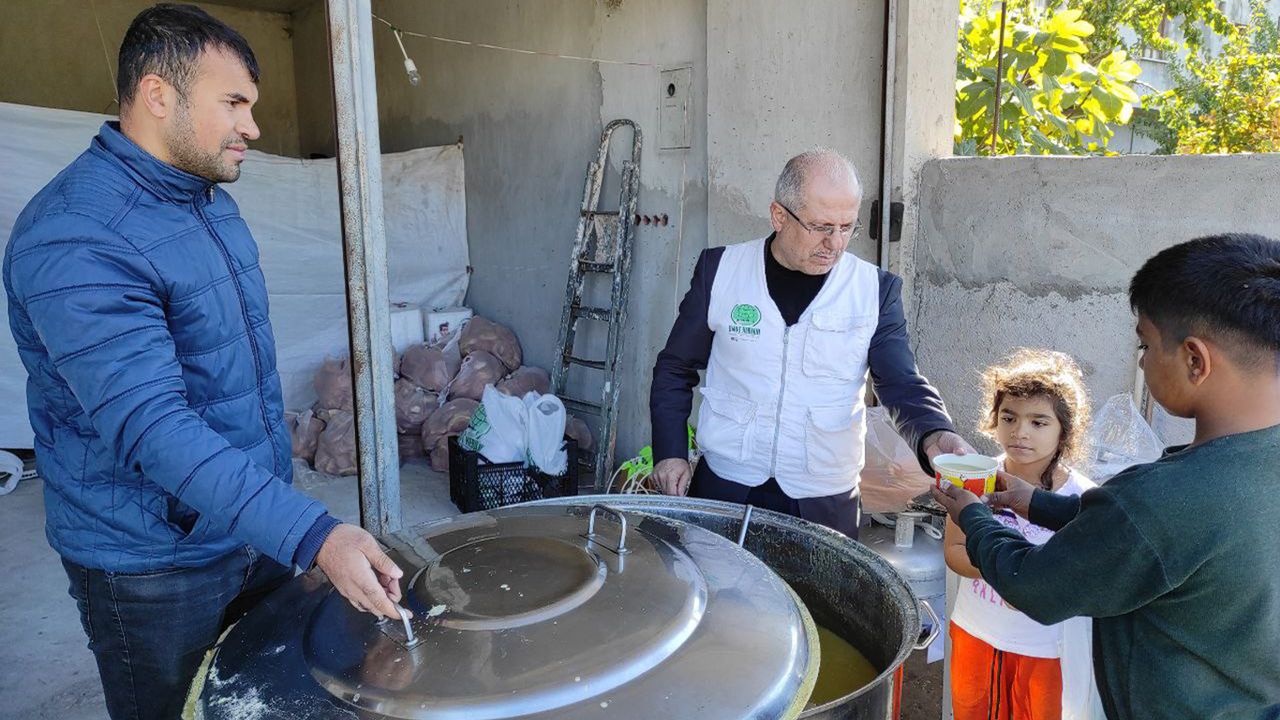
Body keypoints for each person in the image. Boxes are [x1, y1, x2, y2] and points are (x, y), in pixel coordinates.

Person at [4, 6, 404, 719]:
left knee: (269, 698)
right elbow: (151, 426)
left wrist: (278, 522)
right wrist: (313, 533)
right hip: (153, 567)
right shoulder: (77, 236)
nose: (253, 126)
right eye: (235, 103)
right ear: (159, 95)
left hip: (247, 527)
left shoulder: (204, 201)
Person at [932, 234, 1280, 720]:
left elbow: (1034, 584)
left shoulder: (1162, 498)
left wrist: (973, 515)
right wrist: (1037, 503)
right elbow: (1135, 533)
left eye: (1146, 343)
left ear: (1194, 360)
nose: (1142, 360)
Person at [649, 148, 970, 538]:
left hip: (824, 499)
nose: (835, 243)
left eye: (847, 227)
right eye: (821, 227)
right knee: (714, 577)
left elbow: (900, 381)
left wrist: (935, 432)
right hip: (726, 485)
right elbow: (675, 368)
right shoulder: (721, 272)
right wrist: (670, 453)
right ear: (779, 216)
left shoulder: (873, 291)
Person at [944, 349, 1099, 720]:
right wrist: (1008, 575)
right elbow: (953, 549)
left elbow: (1082, 580)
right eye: (1009, 417)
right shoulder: (974, 478)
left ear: (1065, 430)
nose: (1019, 432)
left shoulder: (1083, 499)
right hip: (977, 632)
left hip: (1045, 648)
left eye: (1038, 422)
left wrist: (1026, 582)